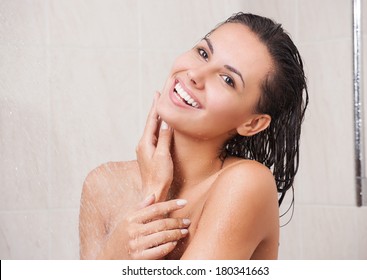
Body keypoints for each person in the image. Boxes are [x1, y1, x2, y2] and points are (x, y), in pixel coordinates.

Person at [79, 12, 308, 260]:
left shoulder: (247, 184)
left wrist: (153, 194)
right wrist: (114, 252)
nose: (195, 75)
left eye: (227, 79)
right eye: (203, 53)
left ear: (252, 123)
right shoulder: (102, 184)